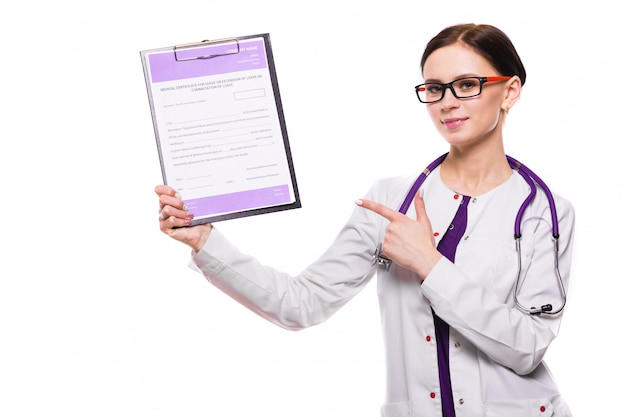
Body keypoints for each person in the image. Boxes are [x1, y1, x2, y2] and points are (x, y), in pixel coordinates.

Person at [155, 23, 575, 417]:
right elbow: (301, 304)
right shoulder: (391, 200)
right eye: (434, 88)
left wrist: (429, 265)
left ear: (510, 91)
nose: (447, 102)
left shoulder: (545, 211)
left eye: (467, 85)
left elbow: (528, 347)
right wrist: (204, 240)